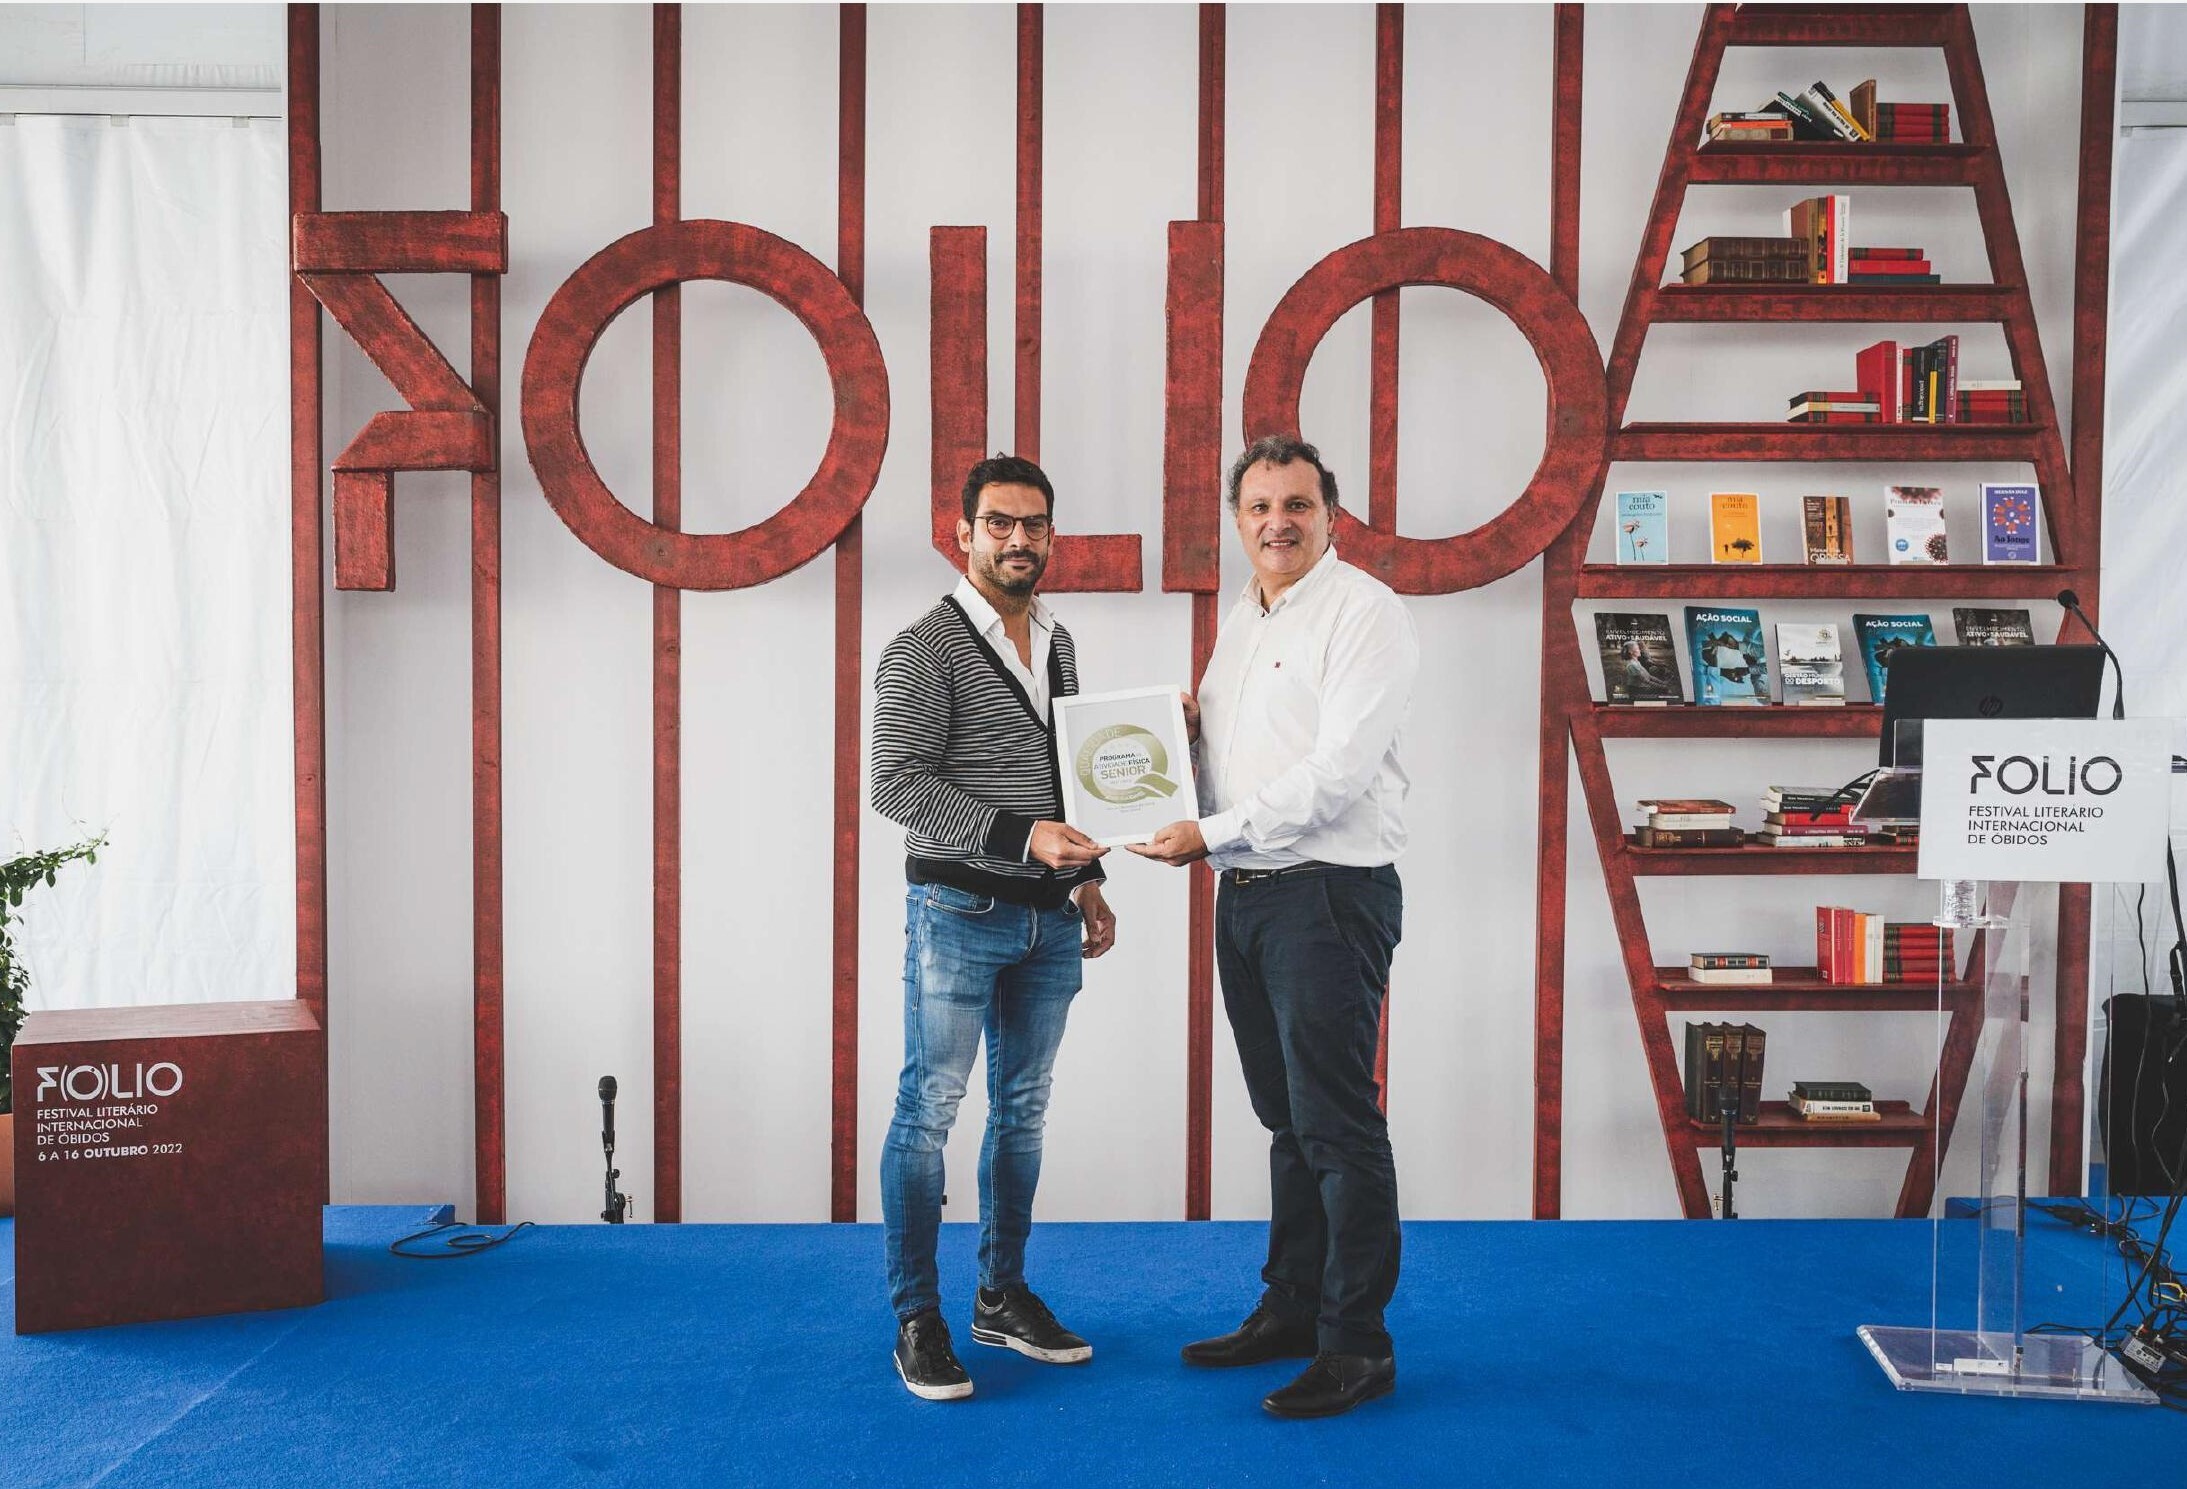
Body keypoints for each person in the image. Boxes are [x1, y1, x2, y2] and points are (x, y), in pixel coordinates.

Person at [1133, 434, 1418, 1419]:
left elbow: (1336, 774)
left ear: (1331, 514)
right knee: (1286, 1120)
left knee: (1336, 1124)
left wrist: (1205, 831)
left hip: (1326, 895)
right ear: (1237, 519)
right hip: (1248, 894)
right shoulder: (1244, 616)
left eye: (1296, 505)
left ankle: (1357, 1343)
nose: (1276, 522)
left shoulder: (1364, 612)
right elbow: (1253, 758)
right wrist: (1185, 740)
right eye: (1258, 507)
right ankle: (1294, 1307)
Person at [869, 452, 1118, 1402]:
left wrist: (1086, 880)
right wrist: (1022, 836)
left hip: (1047, 920)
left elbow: (1065, 775)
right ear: (963, 534)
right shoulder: (923, 647)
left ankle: (1000, 1295)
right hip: (957, 913)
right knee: (927, 1110)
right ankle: (917, 1317)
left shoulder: (1055, 640)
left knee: (1022, 1110)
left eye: (1034, 524)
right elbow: (896, 784)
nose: (1019, 538)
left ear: (1051, 535)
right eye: (1000, 523)